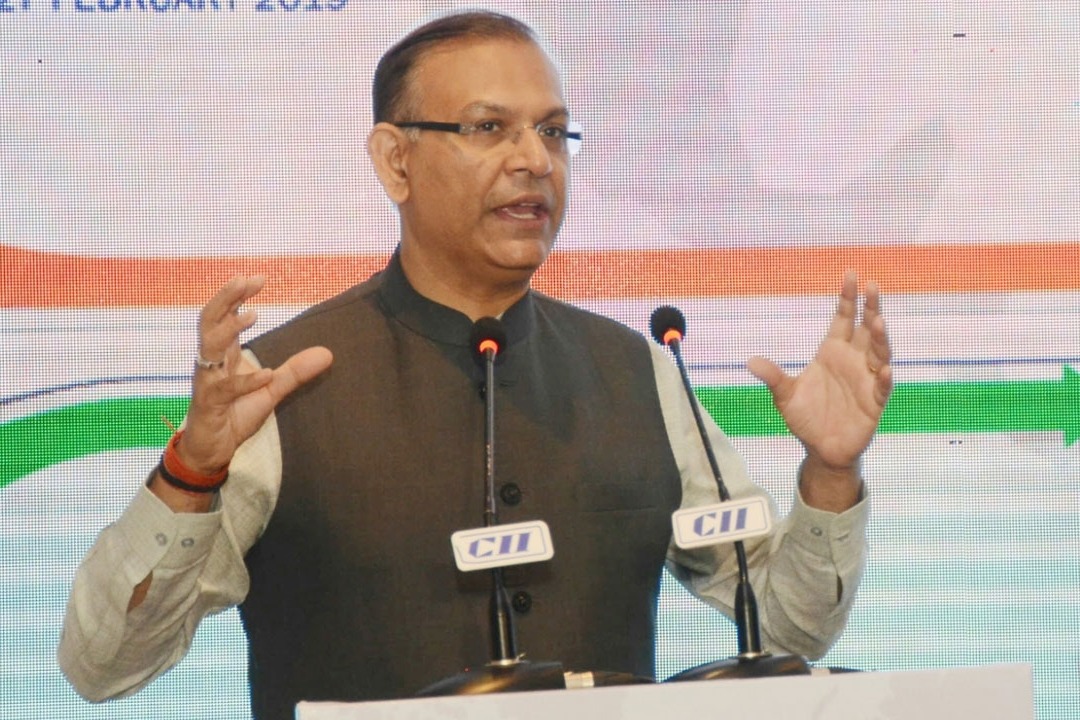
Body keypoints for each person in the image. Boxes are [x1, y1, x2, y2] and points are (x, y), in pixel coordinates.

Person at [58, 10, 892, 720]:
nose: (535, 160)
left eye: (554, 131)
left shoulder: (637, 372)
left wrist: (829, 473)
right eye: (490, 128)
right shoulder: (285, 382)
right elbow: (102, 667)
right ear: (395, 160)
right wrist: (191, 474)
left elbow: (789, 631)